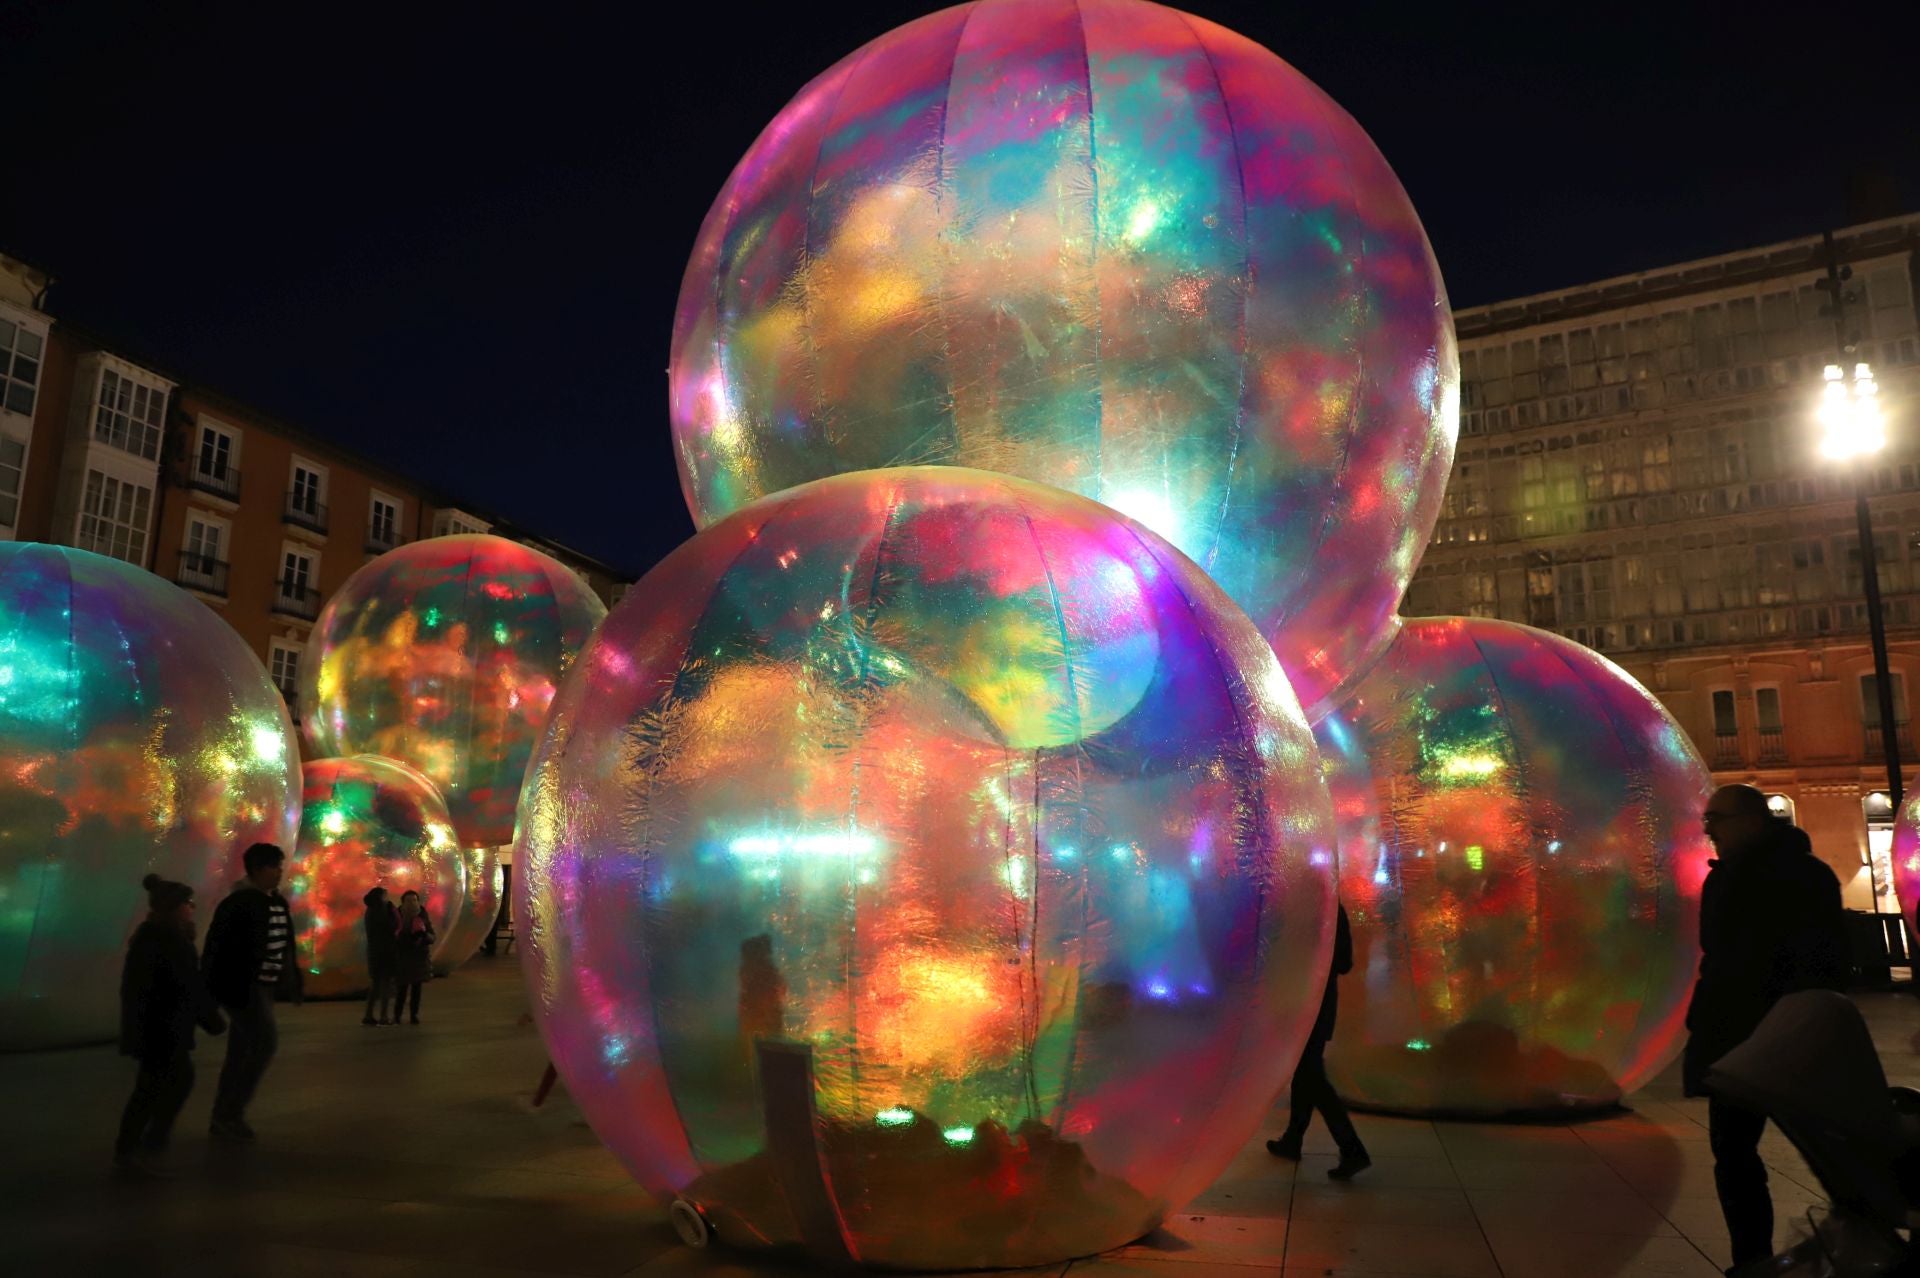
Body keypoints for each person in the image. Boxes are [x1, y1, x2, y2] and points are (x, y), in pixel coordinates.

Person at [1685, 784, 1848, 1274]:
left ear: (1753, 821)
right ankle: (1752, 1257)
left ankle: (1841, 1235)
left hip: (1781, 1032)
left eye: (1718, 819)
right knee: (1736, 1153)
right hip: (1738, 1034)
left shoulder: (1800, 877)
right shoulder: (1726, 877)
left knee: (1816, 1149)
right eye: (1707, 820)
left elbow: (1820, 959)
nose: (1709, 829)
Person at [116, 874, 225, 1176]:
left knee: (163, 1084)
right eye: (188, 903)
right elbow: (187, 985)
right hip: (161, 1028)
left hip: (160, 1027)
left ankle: (142, 1144)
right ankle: (137, 1146)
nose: (192, 908)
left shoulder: (162, 936)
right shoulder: (165, 940)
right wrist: (212, 1020)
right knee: (158, 1086)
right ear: (174, 907)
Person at [1268, 901, 1370, 1179]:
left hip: (1306, 1007)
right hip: (1316, 1008)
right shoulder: (1329, 908)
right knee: (1305, 1075)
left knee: (1312, 1078)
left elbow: (1282, 952)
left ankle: (1352, 1149)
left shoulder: (1312, 910)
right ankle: (1293, 1139)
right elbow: (1345, 963)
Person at [201, 842, 296, 1141]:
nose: (280, 871)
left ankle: (224, 1116)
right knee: (264, 1044)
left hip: (264, 988)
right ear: (257, 870)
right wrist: (213, 992)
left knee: (240, 1051)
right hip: (243, 988)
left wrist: (291, 979)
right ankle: (230, 1112)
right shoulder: (239, 904)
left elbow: (285, 942)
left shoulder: (277, 902)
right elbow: (216, 949)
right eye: (274, 866)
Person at [393, 889, 435, 1025]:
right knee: (402, 989)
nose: (412, 903)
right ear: (403, 902)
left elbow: (432, 935)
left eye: (414, 900)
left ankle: (413, 1015)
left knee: (416, 989)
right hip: (403, 957)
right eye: (409, 900)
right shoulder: (397, 916)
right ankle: (397, 1015)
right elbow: (393, 936)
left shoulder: (422, 915)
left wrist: (424, 936)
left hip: (418, 958)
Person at [361, 886, 398, 1027]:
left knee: (375, 984)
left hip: (373, 952)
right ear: (381, 897)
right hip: (385, 952)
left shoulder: (369, 910)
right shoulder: (383, 910)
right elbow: (392, 926)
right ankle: (384, 1016)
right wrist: (392, 911)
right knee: (385, 985)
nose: (388, 897)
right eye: (386, 895)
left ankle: (368, 1015)